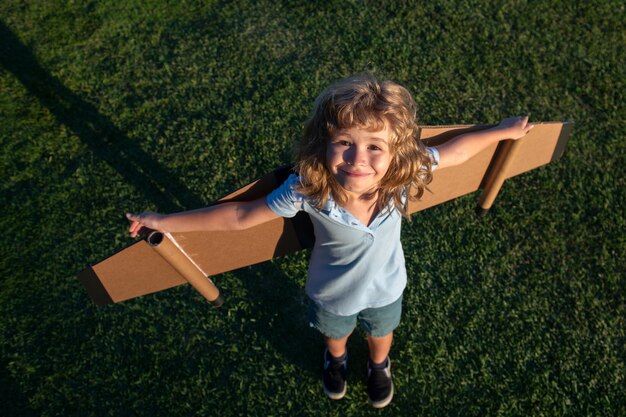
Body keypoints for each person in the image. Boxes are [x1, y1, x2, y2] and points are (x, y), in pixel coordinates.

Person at [126, 74, 533, 408]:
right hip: (331, 295)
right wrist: (163, 220)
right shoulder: (307, 188)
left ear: (398, 152)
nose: (358, 159)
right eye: (345, 143)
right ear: (324, 143)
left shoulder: (403, 176)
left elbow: (456, 152)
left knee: (381, 332)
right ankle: (335, 360)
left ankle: (379, 366)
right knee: (335, 334)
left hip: (387, 287)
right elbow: (239, 215)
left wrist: (501, 131)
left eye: (375, 147)